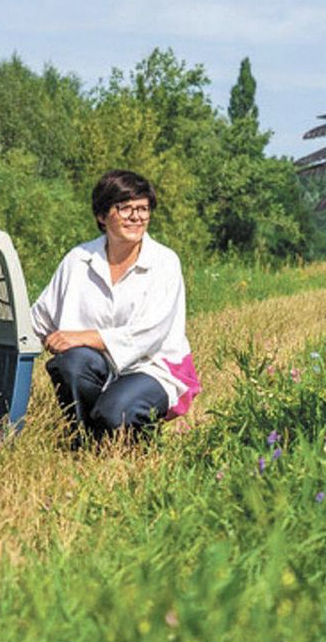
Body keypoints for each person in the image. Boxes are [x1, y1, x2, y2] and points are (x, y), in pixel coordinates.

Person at [30, 170, 200, 440]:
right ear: (101, 215)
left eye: (143, 209)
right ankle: (83, 438)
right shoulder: (77, 260)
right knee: (71, 363)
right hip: (94, 365)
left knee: (114, 415)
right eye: (125, 208)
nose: (136, 217)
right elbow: (40, 318)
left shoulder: (165, 262)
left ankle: (128, 437)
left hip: (150, 367)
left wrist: (85, 337)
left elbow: (150, 333)